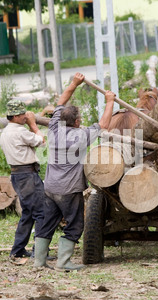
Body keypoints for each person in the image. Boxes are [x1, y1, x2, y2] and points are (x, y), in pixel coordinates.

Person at [33, 72, 116, 271]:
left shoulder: (53, 127)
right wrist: (110, 101)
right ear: (77, 122)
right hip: (69, 190)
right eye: (79, 118)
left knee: (47, 222)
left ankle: (39, 262)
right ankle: (63, 262)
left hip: (51, 187)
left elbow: (61, 101)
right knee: (75, 224)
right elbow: (104, 125)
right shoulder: (81, 135)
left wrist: (74, 84)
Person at [0, 99, 46, 260]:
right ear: (15, 116)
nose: (25, 117)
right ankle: (39, 252)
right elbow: (41, 140)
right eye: (23, 115)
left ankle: (18, 249)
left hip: (17, 175)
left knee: (28, 213)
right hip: (28, 176)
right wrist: (33, 124)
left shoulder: (6, 132)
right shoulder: (20, 131)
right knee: (41, 212)